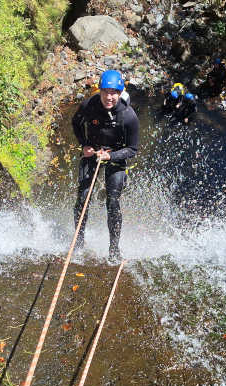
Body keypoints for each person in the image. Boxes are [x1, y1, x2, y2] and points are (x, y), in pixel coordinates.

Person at [71, 70, 139, 261]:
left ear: (119, 93)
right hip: (93, 151)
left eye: (113, 93)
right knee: (83, 198)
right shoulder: (89, 106)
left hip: (115, 156)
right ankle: (78, 242)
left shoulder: (128, 116)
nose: (109, 97)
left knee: (113, 201)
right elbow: (76, 123)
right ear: (99, 91)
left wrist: (110, 156)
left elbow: (133, 149)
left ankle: (114, 248)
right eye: (105, 92)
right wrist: (84, 144)